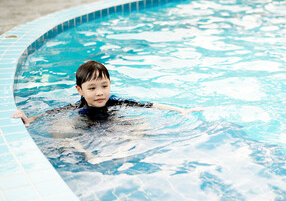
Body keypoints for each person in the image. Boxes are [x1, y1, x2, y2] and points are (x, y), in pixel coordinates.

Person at [12, 60, 203, 126]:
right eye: (92, 88)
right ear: (79, 90)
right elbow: (51, 113)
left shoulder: (115, 102)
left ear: (110, 84)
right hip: (85, 126)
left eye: (104, 86)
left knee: (140, 124)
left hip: (113, 125)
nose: (100, 93)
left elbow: (149, 105)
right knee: (61, 129)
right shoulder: (79, 108)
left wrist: (180, 110)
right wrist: (29, 119)